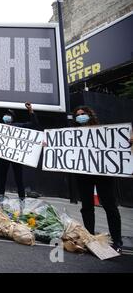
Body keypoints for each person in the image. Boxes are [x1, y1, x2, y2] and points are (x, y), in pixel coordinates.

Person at [72, 106, 126, 253]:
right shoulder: (71, 134)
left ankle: (117, 241)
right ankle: (90, 239)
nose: (80, 117)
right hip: (83, 175)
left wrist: (130, 142)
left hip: (103, 174)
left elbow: (119, 144)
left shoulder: (103, 131)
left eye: (83, 114)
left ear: (90, 115)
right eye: (78, 115)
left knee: (110, 207)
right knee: (87, 207)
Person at [0, 102, 39, 207]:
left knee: (19, 179)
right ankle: (0, 199)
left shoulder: (19, 126)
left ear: (13, 118)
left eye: (9, 115)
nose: (7, 117)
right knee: (2, 178)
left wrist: (31, 111)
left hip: (16, 157)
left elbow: (34, 124)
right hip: (3, 156)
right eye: (5, 115)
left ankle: (22, 201)